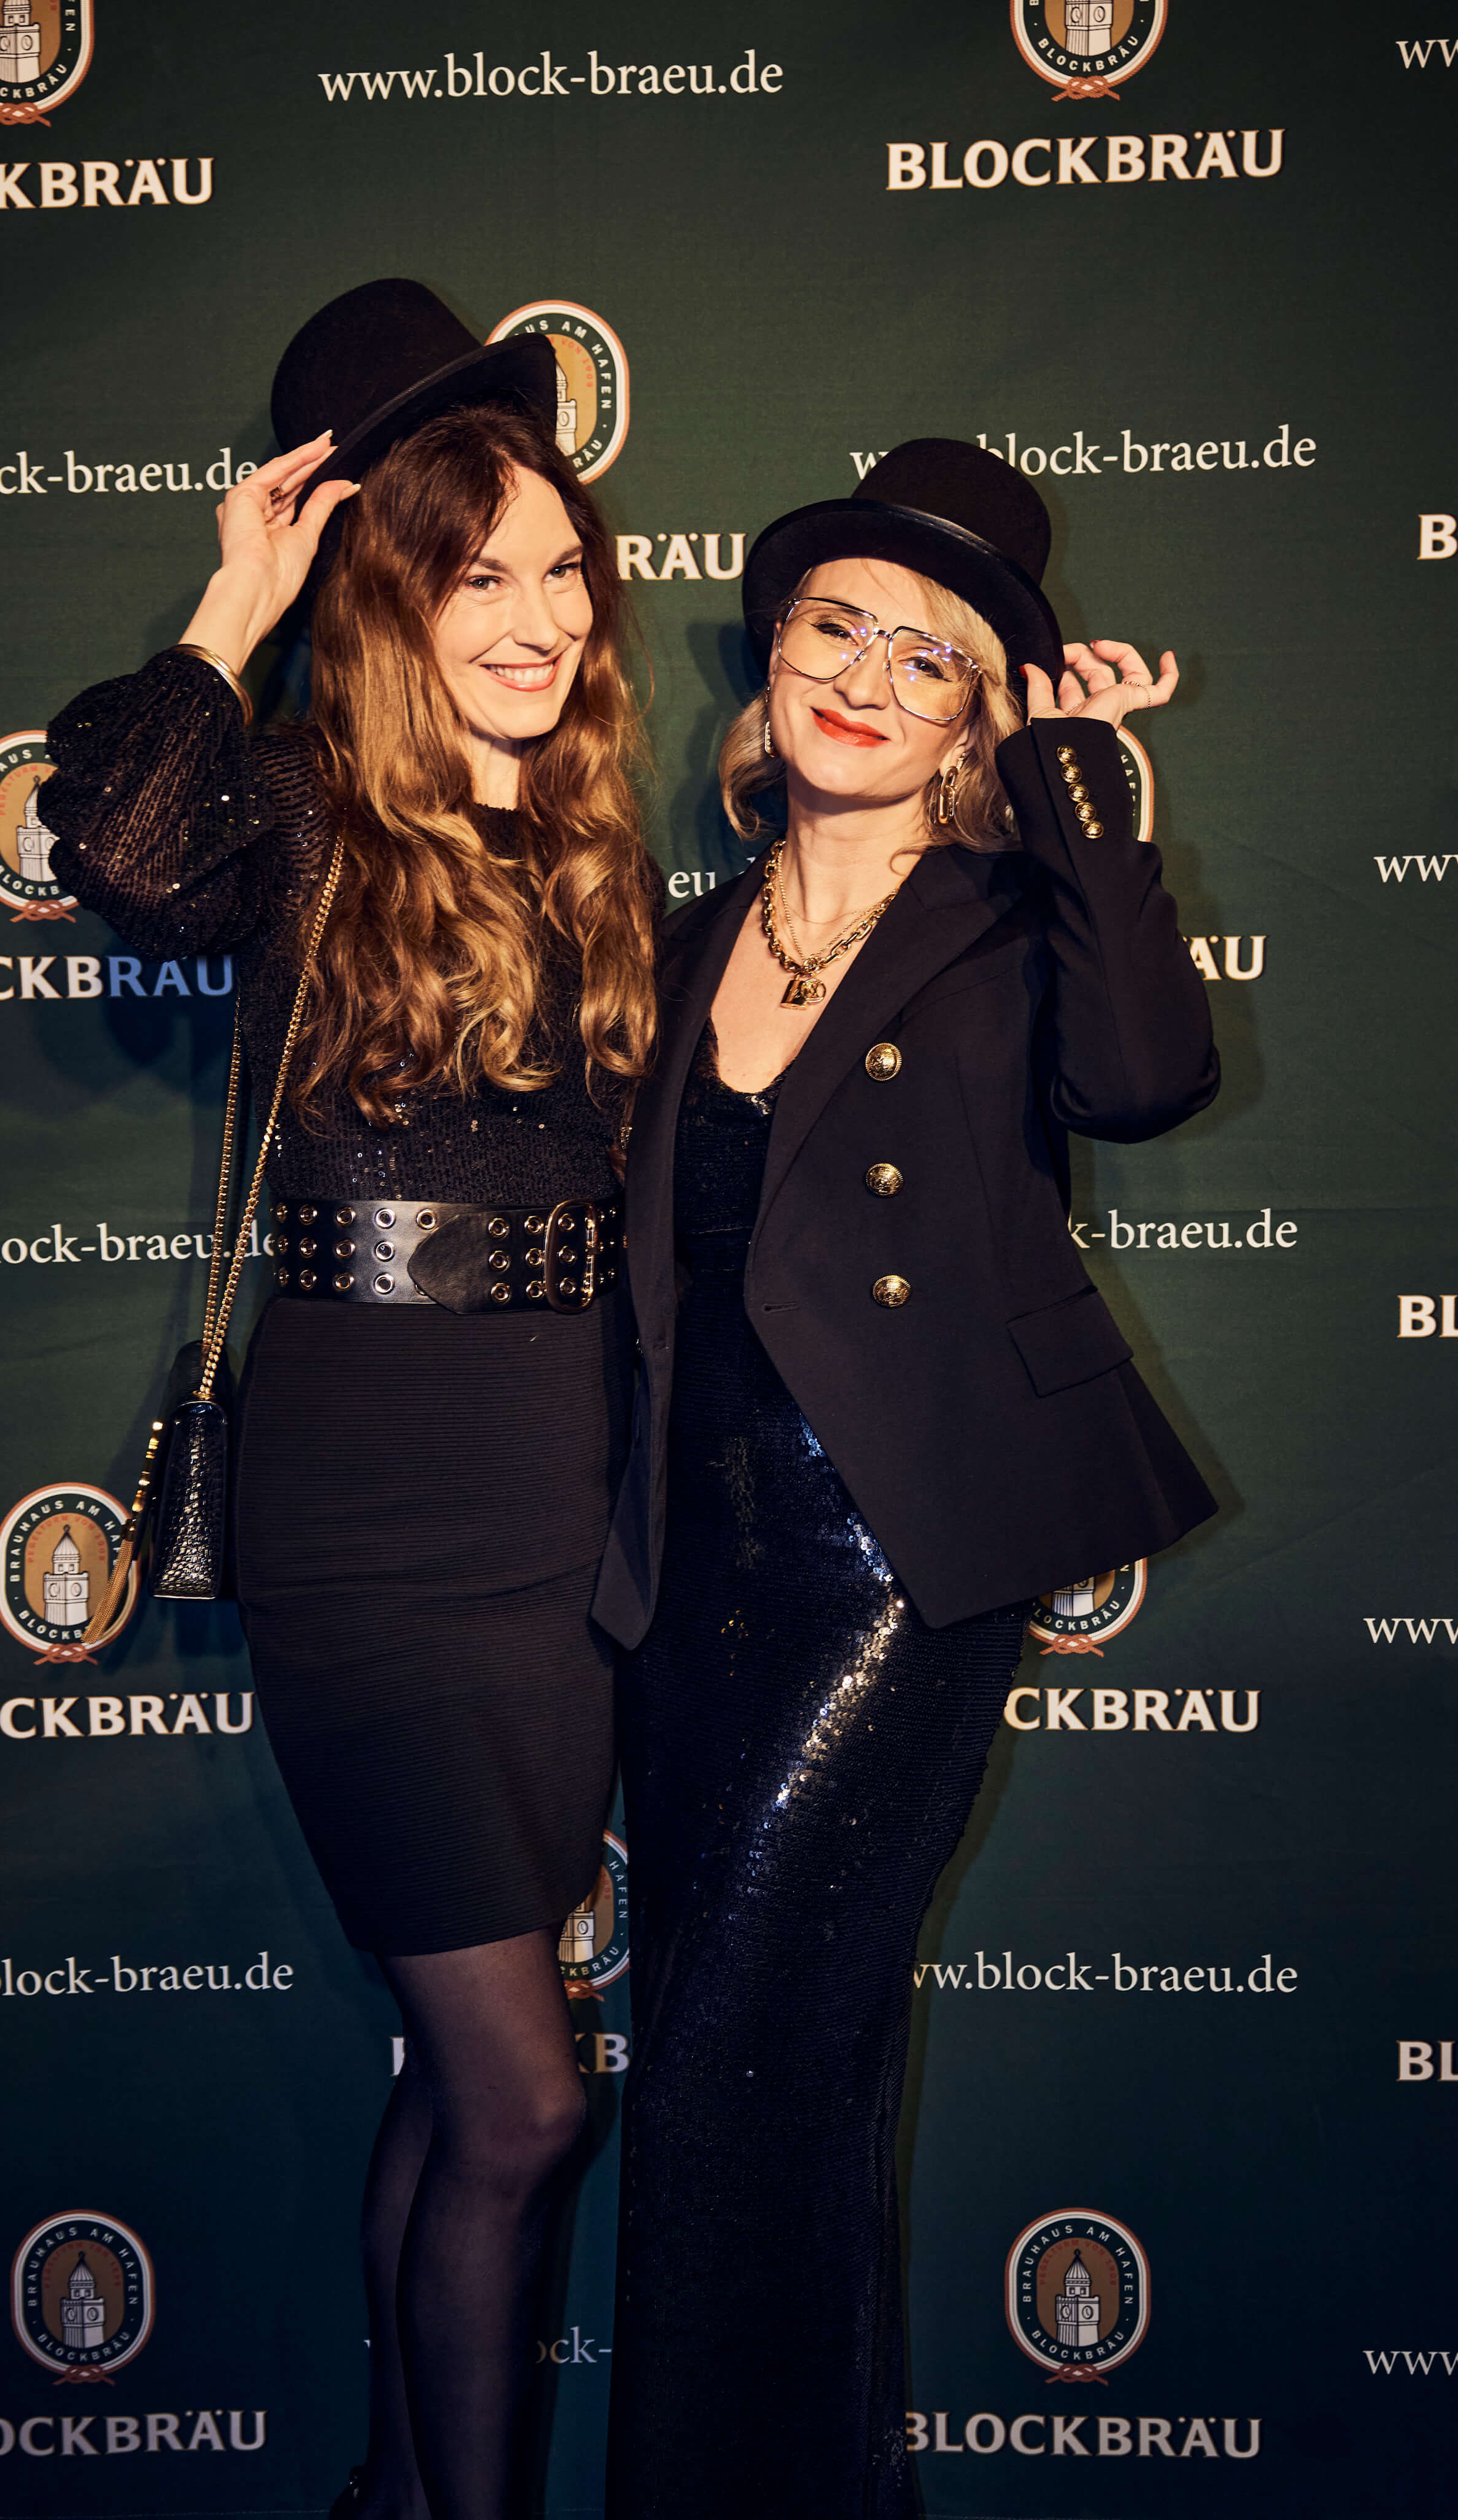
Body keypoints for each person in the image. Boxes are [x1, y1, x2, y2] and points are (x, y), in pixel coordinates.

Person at [38, 279, 658, 2520]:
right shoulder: (299, 808)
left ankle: (392, 2492)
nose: (540, 619)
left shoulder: (595, 850)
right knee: (526, 2102)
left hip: (560, 1526)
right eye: (478, 577)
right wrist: (234, 602)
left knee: (462, 2082)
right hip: (371, 1530)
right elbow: (115, 847)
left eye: (562, 572)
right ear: (385, 593)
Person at [596, 440, 1219, 2519]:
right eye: (833, 628)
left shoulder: (1020, 917)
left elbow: (1148, 1079)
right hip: (685, 1573)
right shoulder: (677, 934)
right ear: (768, 659)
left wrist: (1085, 796)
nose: (864, 678)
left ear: (976, 718)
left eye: (927, 656)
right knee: (763, 2076)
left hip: (893, 1562)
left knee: (729, 2081)